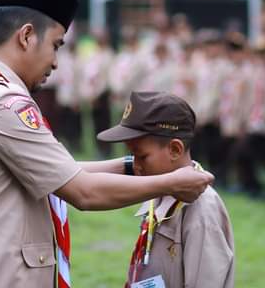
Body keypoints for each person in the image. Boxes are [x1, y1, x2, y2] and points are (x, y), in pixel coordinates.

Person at [0, 0, 214, 288]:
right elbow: (83, 191)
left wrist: (134, 167)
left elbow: (60, 172)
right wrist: (173, 182)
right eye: (55, 45)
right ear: (26, 36)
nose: (54, 61)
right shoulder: (2, 104)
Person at [97, 91, 235, 288]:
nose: (135, 166)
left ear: (175, 150)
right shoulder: (160, 190)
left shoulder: (201, 210)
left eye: (142, 156)